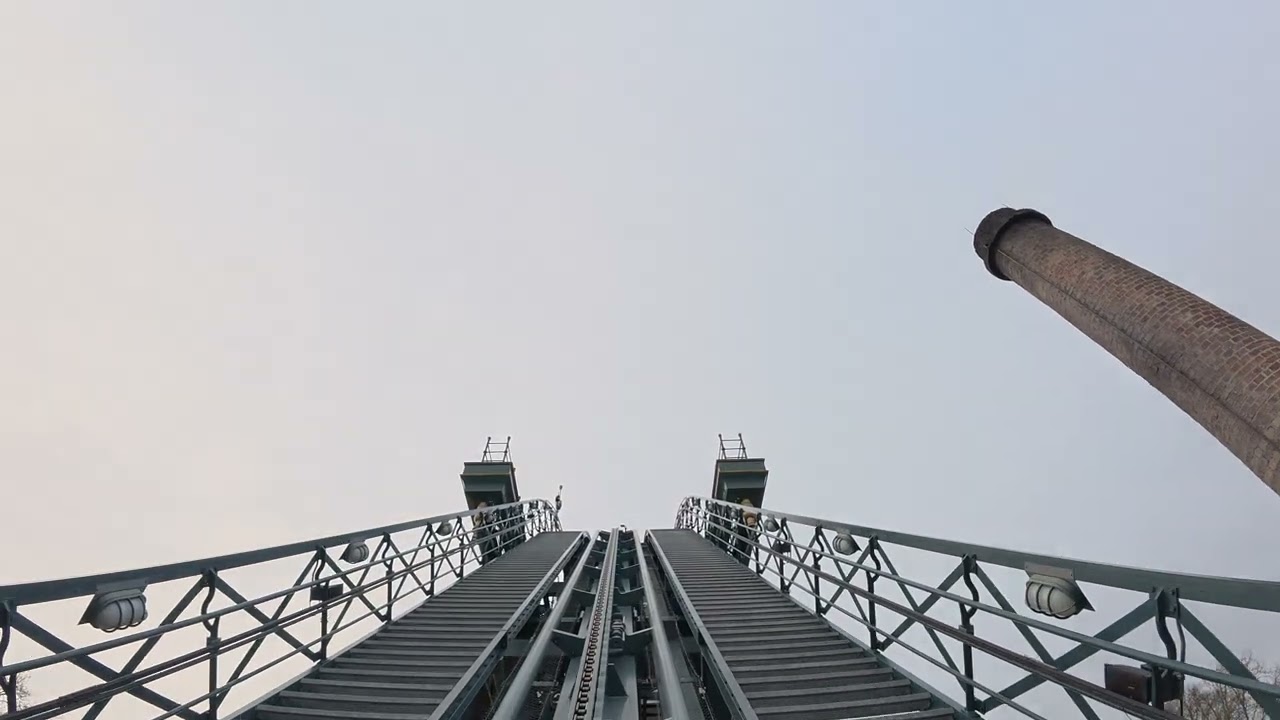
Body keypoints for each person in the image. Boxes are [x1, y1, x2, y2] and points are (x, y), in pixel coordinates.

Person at [734, 498, 759, 566]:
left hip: (743, 525)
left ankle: (740, 554)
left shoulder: (743, 506)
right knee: (747, 541)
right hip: (749, 524)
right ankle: (742, 555)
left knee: (740, 539)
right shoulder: (751, 507)